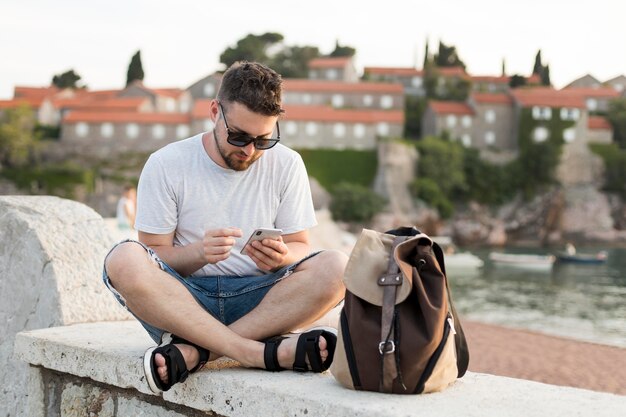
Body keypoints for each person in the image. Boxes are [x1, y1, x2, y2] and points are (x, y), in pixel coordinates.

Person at [102, 61, 348, 393]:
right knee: (123, 260)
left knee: (338, 267)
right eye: (239, 136)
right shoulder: (167, 163)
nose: (249, 151)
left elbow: (301, 244)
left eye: (263, 140)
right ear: (215, 111)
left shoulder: (288, 163)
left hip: (262, 302)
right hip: (186, 303)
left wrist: (282, 257)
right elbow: (153, 256)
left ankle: (197, 353)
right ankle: (260, 352)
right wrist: (198, 254)